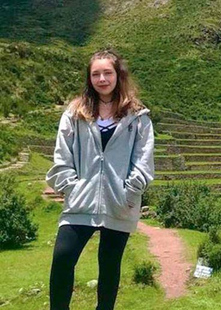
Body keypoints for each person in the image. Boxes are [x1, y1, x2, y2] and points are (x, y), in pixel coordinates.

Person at [46, 49, 155, 310]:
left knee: (109, 266)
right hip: (80, 203)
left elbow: (144, 160)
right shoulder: (75, 113)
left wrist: (130, 193)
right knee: (63, 258)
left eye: (108, 73)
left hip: (120, 203)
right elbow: (62, 155)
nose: (102, 79)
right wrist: (72, 187)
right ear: (89, 78)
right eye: (96, 74)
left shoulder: (137, 116)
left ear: (119, 75)